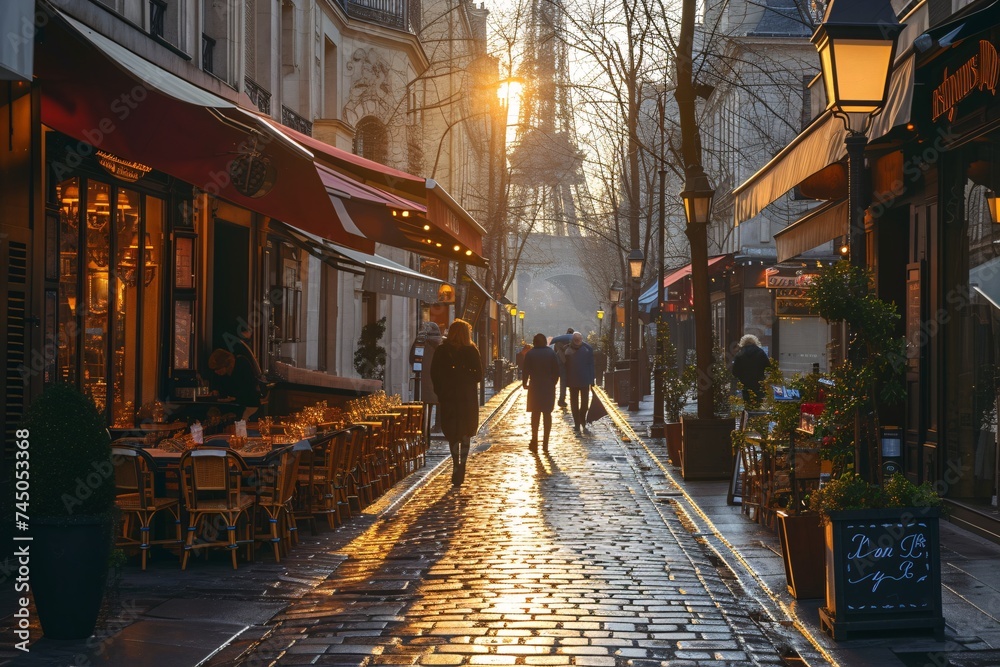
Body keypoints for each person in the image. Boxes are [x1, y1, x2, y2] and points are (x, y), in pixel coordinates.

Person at [430, 319, 483, 486]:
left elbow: (434, 373)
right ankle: (463, 464)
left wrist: (440, 391)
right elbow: (479, 375)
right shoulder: (472, 351)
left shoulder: (441, 350)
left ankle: (455, 464)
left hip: (449, 396)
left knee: (452, 431)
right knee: (465, 431)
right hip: (466, 396)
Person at [522, 333, 559, 452]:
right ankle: (545, 443)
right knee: (547, 414)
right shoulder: (551, 353)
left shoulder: (530, 354)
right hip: (548, 387)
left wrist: (525, 383)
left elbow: (525, 370)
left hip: (534, 387)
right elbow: (556, 371)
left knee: (535, 414)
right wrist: (552, 383)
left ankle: (534, 441)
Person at [207, 348, 261, 421]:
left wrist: (235, 398)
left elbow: (249, 388)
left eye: (218, 368)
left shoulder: (241, 363)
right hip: (237, 406)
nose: (216, 372)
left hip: (249, 406)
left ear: (225, 364)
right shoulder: (225, 374)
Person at [411, 321, 443, 432]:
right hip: (439, 379)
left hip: (425, 378)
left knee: (426, 404)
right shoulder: (442, 344)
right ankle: (438, 425)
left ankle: (425, 426)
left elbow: (412, 358)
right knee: (439, 402)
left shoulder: (421, 344)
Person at [564, 332, 596, 433]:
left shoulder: (587, 349)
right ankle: (577, 423)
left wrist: (592, 379)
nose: (578, 341)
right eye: (576, 339)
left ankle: (582, 419)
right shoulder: (567, 350)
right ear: (573, 340)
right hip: (573, 380)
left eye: (579, 339)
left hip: (584, 380)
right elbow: (565, 366)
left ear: (582, 339)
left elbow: (591, 365)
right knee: (574, 403)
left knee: (584, 403)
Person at [732, 334, 770, 408]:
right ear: (755, 342)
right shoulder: (760, 352)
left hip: (745, 384)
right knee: (758, 404)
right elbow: (768, 367)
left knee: (747, 404)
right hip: (758, 383)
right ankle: (757, 417)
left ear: (743, 343)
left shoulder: (740, 354)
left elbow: (735, 371)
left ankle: (748, 417)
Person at [554, 328, 574, 407]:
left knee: (560, 383)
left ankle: (560, 399)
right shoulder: (572, 343)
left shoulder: (558, 342)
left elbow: (555, 351)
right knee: (565, 383)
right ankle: (563, 400)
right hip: (566, 364)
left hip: (558, 363)